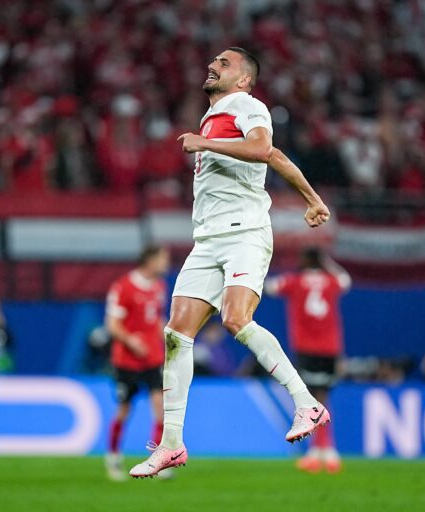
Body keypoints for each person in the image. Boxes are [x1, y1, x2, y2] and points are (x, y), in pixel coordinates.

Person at [130, 47, 332, 478]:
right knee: (175, 334)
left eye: (224, 63)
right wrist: (313, 199)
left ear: (243, 80)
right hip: (206, 241)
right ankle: (171, 444)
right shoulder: (216, 116)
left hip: (244, 232)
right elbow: (274, 157)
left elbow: (262, 147)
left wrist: (203, 142)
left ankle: (306, 404)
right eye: (214, 61)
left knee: (236, 320)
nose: (213, 65)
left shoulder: (247, 105)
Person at [264, 246, 351, 473]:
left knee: (310, 400)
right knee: (323, 398)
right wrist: (328, 261)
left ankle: (317, 452)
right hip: (330, 348)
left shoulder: (295, 281)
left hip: (306, 348)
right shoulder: (331, 280)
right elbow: (346, 280)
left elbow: (270, 287)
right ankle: (328, 452)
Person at [105, 245, 171, 481]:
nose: (166, 264)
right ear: (150, 260)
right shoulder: (123, 287)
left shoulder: (160, 287)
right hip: (127, 360)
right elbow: (112, 324)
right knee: (124, 410)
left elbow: (156, 319)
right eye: (163, 259)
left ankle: (158, 461)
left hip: (152, 358)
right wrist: (131, 341)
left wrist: (169, 335)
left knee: (160, 408)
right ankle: (113, 458)